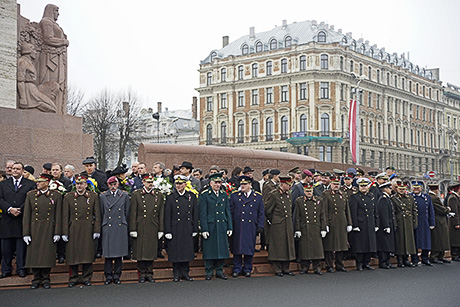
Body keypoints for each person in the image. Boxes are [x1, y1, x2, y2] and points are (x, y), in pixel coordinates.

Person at [22, 173, 62, 289]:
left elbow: (58, 215)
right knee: (35, 254)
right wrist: (26, 233)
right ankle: (36, 278)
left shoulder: (56, 196)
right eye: (37, 181)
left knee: (47, 254)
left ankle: (45, 278)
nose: (37, 183)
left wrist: (57, 232)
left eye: (40, 182)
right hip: (34, 228)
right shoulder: (31, 195)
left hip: (49, 228)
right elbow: (27, 215)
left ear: (47, 183)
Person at [61, 174, 100, 287]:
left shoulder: (93, 196)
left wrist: (96, 229)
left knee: (87, 253)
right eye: (77, 184)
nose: (79, 186)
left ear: (86, 185)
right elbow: (65, 215)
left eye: (81, 183)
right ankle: (73, 277)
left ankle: (86, 277)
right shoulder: (68, 197)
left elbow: (97, 214)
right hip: (73, 227)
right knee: (73, 253)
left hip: (88, 227)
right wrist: (64, 232)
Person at [0, 162, 36, 278]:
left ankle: (21, 269)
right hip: (7, 219)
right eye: (13, 168)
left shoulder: (30, 184)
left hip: (22, 219)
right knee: (6, 249)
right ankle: (6, 269)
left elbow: (31, 199)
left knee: (21, 248)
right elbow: (0, 199)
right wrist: (9, 209)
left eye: (17, 169)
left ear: (22, 170)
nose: (15, 170)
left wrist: (20, 209)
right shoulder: (3, 184)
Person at [129, 173, 165, 283]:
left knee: (150, 251)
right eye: (148, 182)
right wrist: (133, 228)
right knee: (140, 251)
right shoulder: (137, 194)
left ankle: (149, 273)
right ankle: (141, 274)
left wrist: (161, 229)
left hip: (153, 226)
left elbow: (161, 214)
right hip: (140, 226)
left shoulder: (158, 195)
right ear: (143, 182)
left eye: (151, 182)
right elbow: (133, 213)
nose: (150, 184)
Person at [164, 175, 198, 282]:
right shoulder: (171, 197)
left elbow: (195, 214)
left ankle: (185, 273)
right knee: (176, 251)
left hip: (187, 227)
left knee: (186, 251)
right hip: (175, 227)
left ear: (185, 184)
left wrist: (195, 229)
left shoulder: (191, 196)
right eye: (177, 184)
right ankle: (176, 273)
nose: (178, 186)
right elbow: (167, 215)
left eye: (181, 184)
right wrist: (167, 230)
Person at [199, 172, 233, 280]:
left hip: (222, 224)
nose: (218, 185)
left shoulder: (223, 194)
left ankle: (219, 270)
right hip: (211, 225)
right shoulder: (205, 195)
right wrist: (204, 228)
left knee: (221, 249)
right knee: (210, 249)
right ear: (210, 183)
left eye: (219, 182)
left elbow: (227, 211)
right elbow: (203, 213)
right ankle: (208, 271)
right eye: (216, 182)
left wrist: (229, 226)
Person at [229, 176, 264, 278]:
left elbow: (261, 213)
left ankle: (248, 268)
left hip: (251, 226)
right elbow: (231, 212)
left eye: (245, 184)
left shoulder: (257, 197)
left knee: (249, 248)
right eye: (241, 184)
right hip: (238, 225)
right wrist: (230, 226)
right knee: (237, 248)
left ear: (250, 185)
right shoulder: (235, 196)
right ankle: (237, 268)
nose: (242, 186)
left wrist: (260, 226)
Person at [100, 176, 130, 285]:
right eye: (110, 184)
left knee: (119, 253)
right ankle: (108, 275)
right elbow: (101, 212)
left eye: (114, 184)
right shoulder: (103, 196)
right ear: (108, 185)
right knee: (108, 253)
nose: (113, 187)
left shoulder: (124, 195)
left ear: (118, 184)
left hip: (120, 225)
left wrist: (123, 222)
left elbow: (127, 212)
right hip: (108, 226)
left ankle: (117, 275)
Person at [265, 176, 295, 276]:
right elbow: (268, 210)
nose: (290, 187)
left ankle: (286, 268)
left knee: (287, 246)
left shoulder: (288, 195)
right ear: (283, 184)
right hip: (278, 224)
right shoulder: (274, 194)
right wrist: (273, 220)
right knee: (278, 246)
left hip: (287, 223)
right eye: (288, 185)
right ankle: (277, 268)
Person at [321, 177, 352, 273]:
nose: (336, 186)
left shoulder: (343, 194)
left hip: (342, 221)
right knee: (330, 245)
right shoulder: (326, 194)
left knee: (341, 244)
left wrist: (349, 223)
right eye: (334, 184)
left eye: (337, 184)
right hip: (331, 221)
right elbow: (324, 210)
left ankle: (339, 264)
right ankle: (329, 265)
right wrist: (325, 224)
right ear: (331, 184)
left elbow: (347, 210)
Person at [295, 183, 327, 275]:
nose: (309, 193)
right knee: (305, 248)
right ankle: (305, 267)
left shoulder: (319, 200)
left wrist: (323, 228)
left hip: (316, 227)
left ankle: (317, 267)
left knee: (317, 248)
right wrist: (297, 229)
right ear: (304, 191)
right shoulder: (299, 201)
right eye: (307, 191)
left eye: (310, 191)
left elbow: (322, 215)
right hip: (305, 227)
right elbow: (297, 216)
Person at [349, 178, 379, 271]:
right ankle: (359, 263)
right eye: (361, 186)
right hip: (360, 224)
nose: (363, 188)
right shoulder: (355, 197)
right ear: (359, 187)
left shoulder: (371, 196)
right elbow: (353, 212)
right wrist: (355, 225)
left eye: (365, 186)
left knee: (370, 244)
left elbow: (374, 211)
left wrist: (376, 224)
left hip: (369, 223)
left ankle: (366, 262)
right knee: (360, 245)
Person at [391, 181, 417, 267]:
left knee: (408, 241)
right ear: (396, 189)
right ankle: (400, 260)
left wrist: (415, 221)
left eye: (403, 189)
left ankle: (406, 259)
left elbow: (414, 211)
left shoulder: (410, 198)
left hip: (408, 221)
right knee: (401, 241)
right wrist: (395, 223)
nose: (402, 190)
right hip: (400, 221)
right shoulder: (394, 198)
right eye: (400, 189)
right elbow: (393, 212)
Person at [411, 181, 435, 266]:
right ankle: (415, 259)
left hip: (424, 222)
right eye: (415, 187)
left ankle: (425, 258)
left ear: (421, 188)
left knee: (426, 241)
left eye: (418, 187)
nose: (416, 189)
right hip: (414, 222)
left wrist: (432, 222)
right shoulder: (410, 197)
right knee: (415, 241)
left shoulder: (426, 197)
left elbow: (430, 210)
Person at [428, 183, 451, 264]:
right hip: (438, 220)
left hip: (438, 220)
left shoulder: (431, 197)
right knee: (438, 239)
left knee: (441, 239)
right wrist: (447, 209)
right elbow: (441, 210)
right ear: (436, 190)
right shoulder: (434, 198)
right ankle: (435, 256)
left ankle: (440, 256)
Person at [376, 182, 397, 269]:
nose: (391, 189)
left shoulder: (387, 198)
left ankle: (387, 261)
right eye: (389, 188)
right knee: (384, 244)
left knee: (388, 244)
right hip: (385, 226)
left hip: (389, 224)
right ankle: (383, 262)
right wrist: (386, 226)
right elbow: (383, 214)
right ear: (385, 189)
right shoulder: (383, 199)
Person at [447, 183, 460, 261]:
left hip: (458, 220)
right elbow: (454, 211)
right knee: (455, 239)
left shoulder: (457, 197)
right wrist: (456, 223)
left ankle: (458, 254)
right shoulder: (453, 198)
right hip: (454, 222)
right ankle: (455, 255)